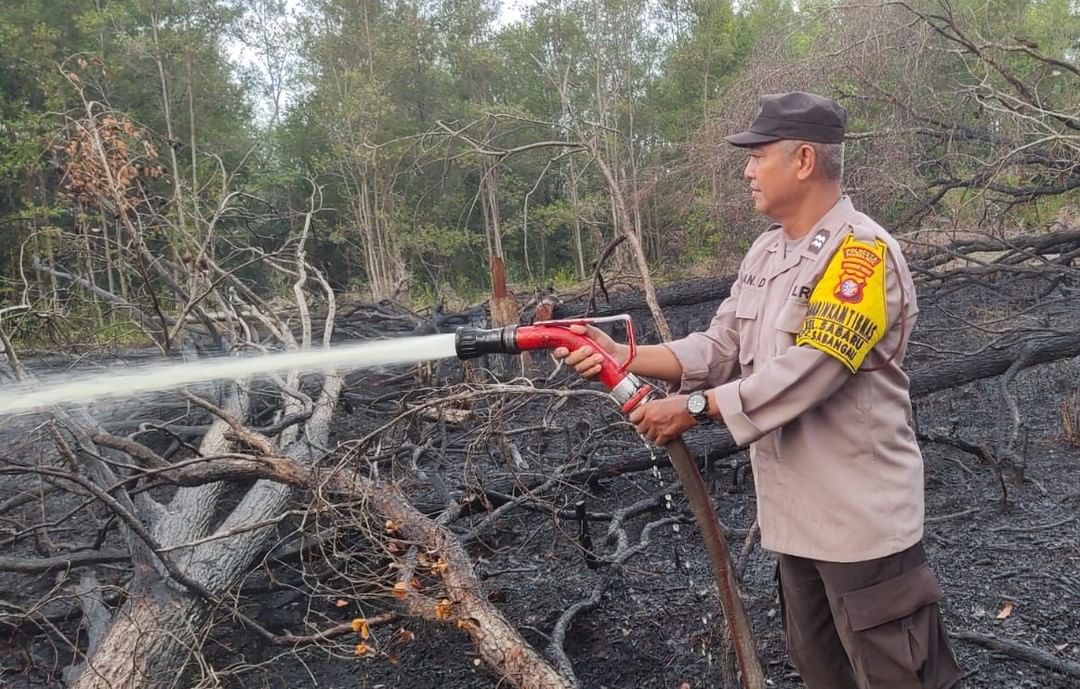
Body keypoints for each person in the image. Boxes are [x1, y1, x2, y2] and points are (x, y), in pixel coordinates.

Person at [554, 92, 963, 689]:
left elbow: (814, 366)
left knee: (898, 678)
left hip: (861, 527)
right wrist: (624, 355)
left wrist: (697, 408)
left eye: (757, 155)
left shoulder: (861, 255)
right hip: (794, 524)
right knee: (821, 673)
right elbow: (719, 345)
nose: (747, 170)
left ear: (804, 161)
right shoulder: (767, 251)